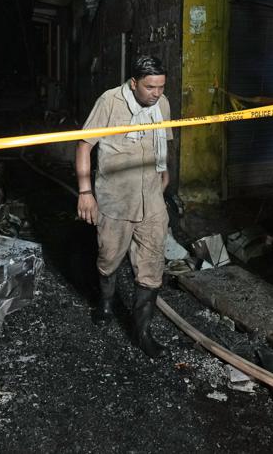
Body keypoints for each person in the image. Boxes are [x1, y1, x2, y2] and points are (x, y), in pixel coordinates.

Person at [75, 55, 173, 358]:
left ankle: (142, 331)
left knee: (152, 263)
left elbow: (164, 139)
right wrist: (85, 192)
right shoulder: (110, 102)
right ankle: (105, 301)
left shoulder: (162, 103)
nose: (156, 93)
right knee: (109, 256)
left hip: (152, 197)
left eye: (160, 87)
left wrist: (163, 170)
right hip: (116, 197)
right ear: (133, 83)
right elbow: (83, 145)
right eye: (149, 87)